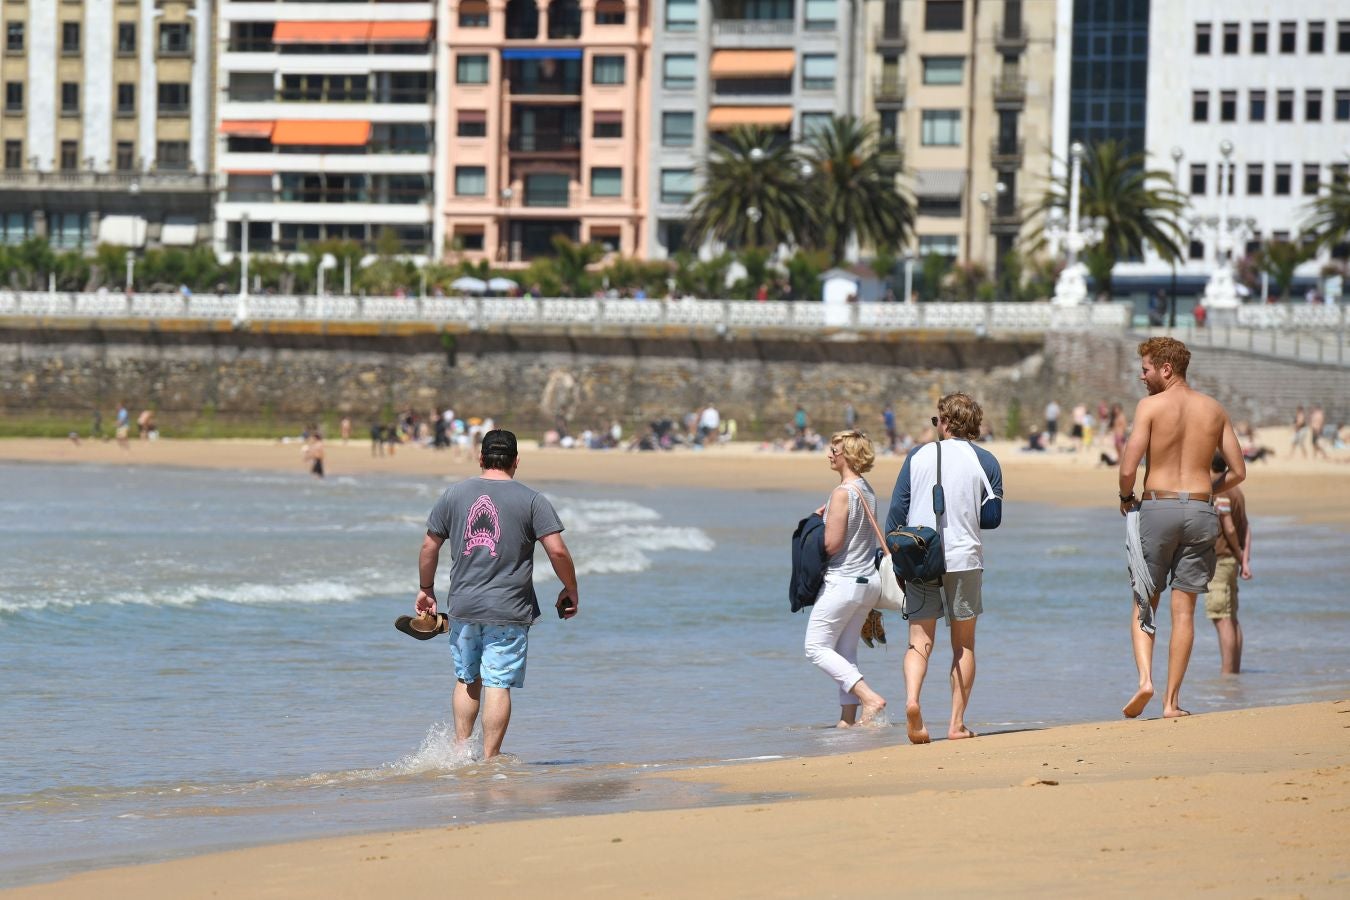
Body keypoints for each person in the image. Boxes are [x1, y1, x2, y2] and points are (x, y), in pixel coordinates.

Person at [414, 430, 579, 759]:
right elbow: (558, 552)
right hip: (509, 610)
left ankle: (461, 752)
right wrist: (570, 589)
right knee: (497, 683)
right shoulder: (533, 500)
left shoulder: (454, 494)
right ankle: (490, 758)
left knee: (466, 677)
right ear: (517, 460)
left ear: (481, 458)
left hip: (463, 605)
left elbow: (429, 545)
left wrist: (426, 589)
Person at [1118, 337, 1246, 719]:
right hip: (1201, 510)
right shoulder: (1214, 409)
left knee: (1145, 600)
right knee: (1185, 611)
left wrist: (1126, 497)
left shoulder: (1150, 407)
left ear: (1166, 369)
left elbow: (1128, 468)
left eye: (1145, 369)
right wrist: (1206, 490)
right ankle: (1171, 703)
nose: (1141, 377)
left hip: (1158, 507)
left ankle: (1145, 680)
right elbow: (1238, 471)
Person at [885, 393, 1003, 744]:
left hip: (921, 554)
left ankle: (911, 701)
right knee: (963, 644)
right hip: (964, 557)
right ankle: (956, 724)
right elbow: (993, 518)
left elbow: (896, 514)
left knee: (918, 643)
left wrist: (896, 562)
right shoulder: (987, 461)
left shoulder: (917, 456)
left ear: (946, 423)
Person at [804, 430, 886, 727]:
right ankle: (847, 719)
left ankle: (869, 698)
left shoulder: (842, 493)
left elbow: (832, 544)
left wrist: (814, 525)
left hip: (845, 580)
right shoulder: (867, 489)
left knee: (815, 647)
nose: (829, 454)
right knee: (845, 650)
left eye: (834, 450)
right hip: (868, 582)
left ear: (848, 456)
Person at [1205, 453, 1251, 674]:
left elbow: (1229, 527)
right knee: (1231, 616)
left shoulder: (1219, 489)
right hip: (1231, 559)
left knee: (1221, 617)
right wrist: (1244, 557)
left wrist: (1238, 553)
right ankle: (1235, 672)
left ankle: (1227, 673)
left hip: (1221, 559)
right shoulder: (1236, 490)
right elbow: (1247, 528)